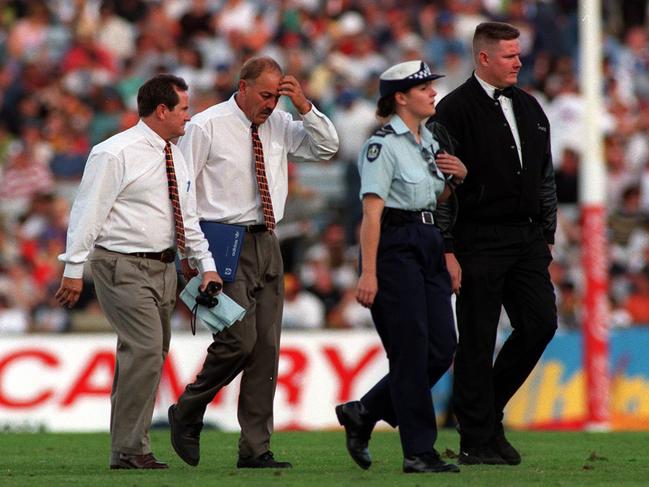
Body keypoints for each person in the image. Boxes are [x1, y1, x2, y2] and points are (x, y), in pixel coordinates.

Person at [168, 56, 339, 469]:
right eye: (264, 95)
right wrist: (193, 255)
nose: (270, 104)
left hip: (268, 241)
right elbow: (182, 190)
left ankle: (255, 449)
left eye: (275, 96)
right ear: (242, 87)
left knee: (265, 351)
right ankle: (189, 408)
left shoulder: (279, 122)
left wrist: (303, 106)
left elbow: (327, 147)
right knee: (239, 341)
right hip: (222, 244)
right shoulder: (206, 126)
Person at [55, 74, 220, 469]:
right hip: (121, 264)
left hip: (164, 267)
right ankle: (130, 450)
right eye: (183, 108)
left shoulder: (174, 154)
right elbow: (87, 211)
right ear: (161, 110)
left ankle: (129, 447)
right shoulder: (115, 152)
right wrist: (73, 266)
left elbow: (189, 217)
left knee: (148, 355)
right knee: (145, 351)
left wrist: (207, 264)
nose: (188, 116)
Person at [433, 22, 558, 465]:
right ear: (483, 58)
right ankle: (476, 437)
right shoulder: (452, 110)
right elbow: (441, 186)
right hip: (477, 238)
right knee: (478, 338)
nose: (519, 62)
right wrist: (447, 248)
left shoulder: (530, 106)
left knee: (541, 323)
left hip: (526, 237)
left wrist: (547, 233)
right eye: (510, 55)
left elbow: (545, 175)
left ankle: (485, 416)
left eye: (518, 54)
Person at [335, 60, 466, 474]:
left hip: (425, 240)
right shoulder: (383, 145)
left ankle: (365, 410)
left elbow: (434, 199)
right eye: (423, 86)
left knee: (442, 347)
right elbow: (372, 214)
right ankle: (418, 452)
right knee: (410, 353)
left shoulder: (427, 140)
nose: (432, 92)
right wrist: (369, 272)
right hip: (395, 244)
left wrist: (456, 179)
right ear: (400, 97)